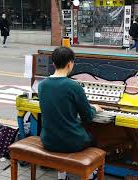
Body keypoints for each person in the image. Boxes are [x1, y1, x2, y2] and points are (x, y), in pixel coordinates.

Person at [38, 47, 102, 180]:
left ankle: (62, 176)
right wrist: (95, 108)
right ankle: (91, 174)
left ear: (54, 64)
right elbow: (88, 116)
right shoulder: (73, 86)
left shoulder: (42, 85)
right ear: (69, 64)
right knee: (94, 139)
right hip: (72, 142)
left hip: (48, 141)